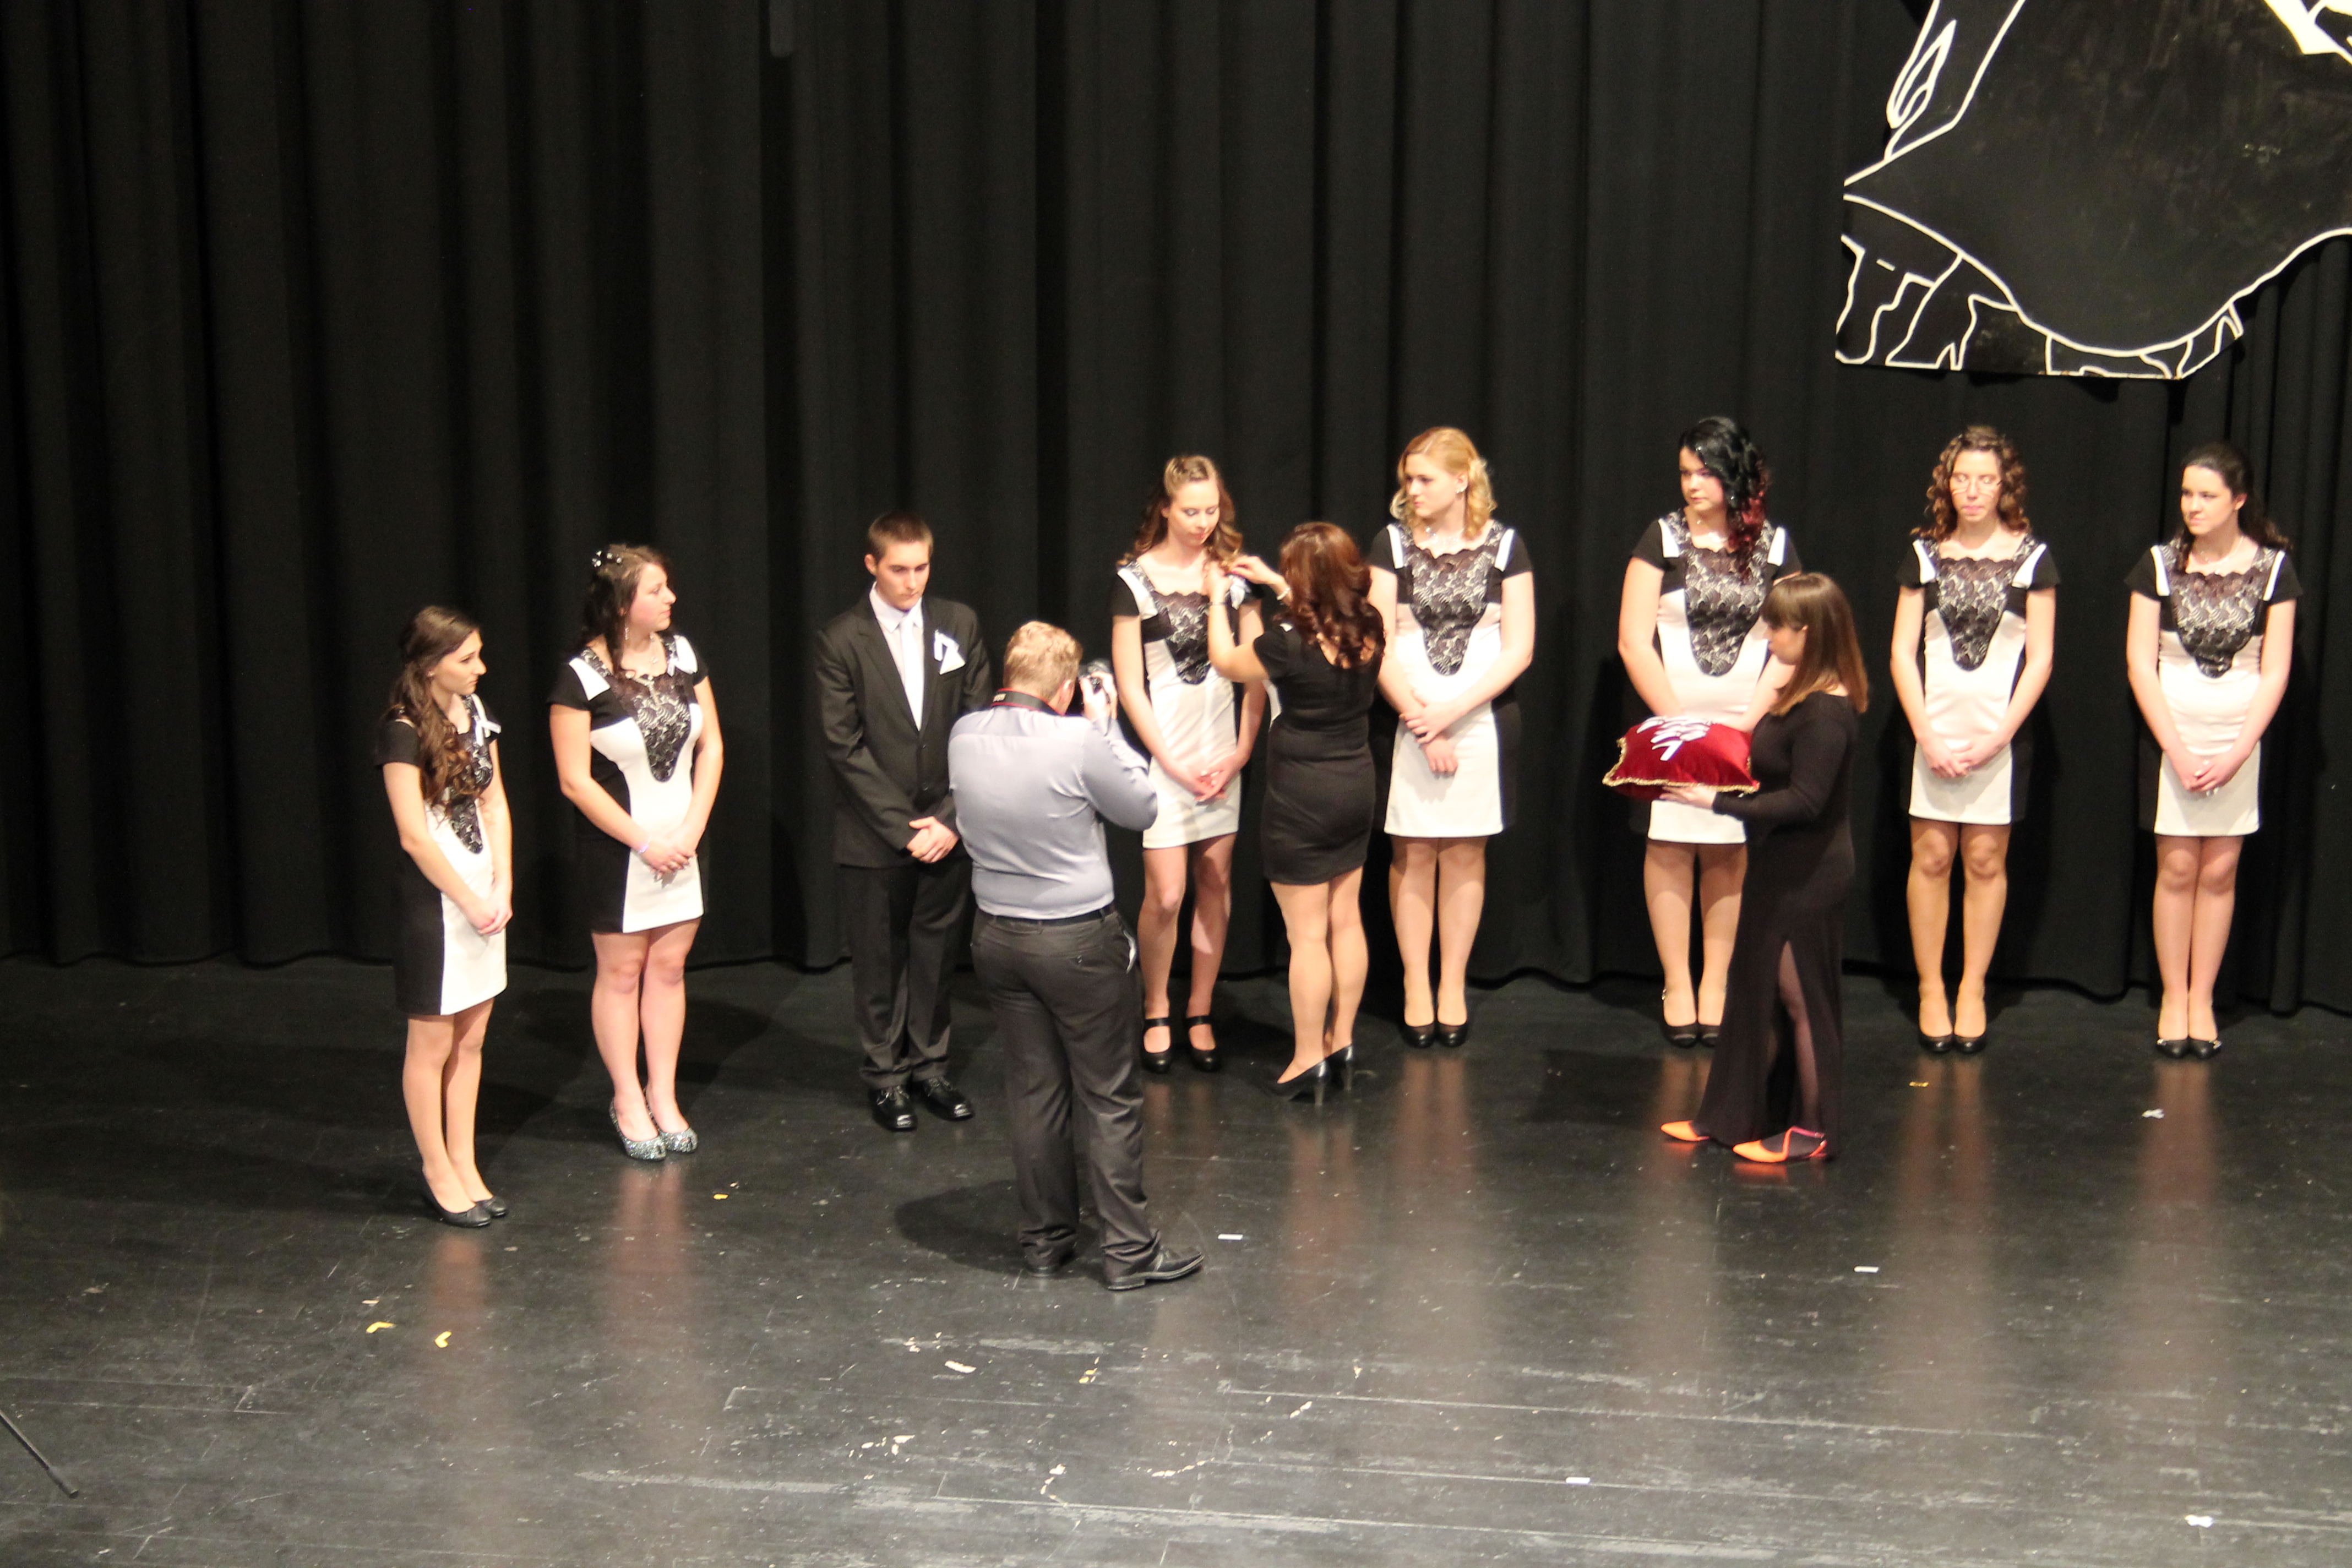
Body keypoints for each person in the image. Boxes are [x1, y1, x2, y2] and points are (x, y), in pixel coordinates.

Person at [950, 622, 1204, 1292]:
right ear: (1065, 690)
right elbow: (1143, 807)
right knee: (1110, 1096)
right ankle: (1128, 1252)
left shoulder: (964, 734)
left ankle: (1045, 1241)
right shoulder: (1077, 738)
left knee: (1036, 1092)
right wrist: (1106, 727)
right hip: (1077, 942)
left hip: (997, 938)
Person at [1659, 573, 1866, 1163]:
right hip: (1778, 865)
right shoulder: (1795, 692)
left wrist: (1716, 803)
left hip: (1810, 875)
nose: (1768, 635)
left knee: (1801, 1000)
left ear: (1810, 632)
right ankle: (1729, 1116)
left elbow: (1806, 802)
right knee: (1756, 995)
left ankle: (1813, 1129)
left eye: (1777, 626)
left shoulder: (1825, 711)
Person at [1618, 417, 1801, 1047]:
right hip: (1671, 720)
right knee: (1670, 844)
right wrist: (1679, 722)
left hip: (1746, 722)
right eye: (1684, 473)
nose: (1692, 484)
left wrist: (1747, 724)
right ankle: (1677, 982)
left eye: (1705, 472)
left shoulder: (1775, 546)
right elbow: (1633, 640)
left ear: (1735, 475)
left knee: (1727, 845)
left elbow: (1793, 642)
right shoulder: (1662, 538)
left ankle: (1717, 982)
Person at [815, 511, 995, 1130]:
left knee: (936, 956)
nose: (912, 581)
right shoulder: (842, 638)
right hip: (874, 834)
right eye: (899, 569)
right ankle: (886, 1076)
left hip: (947, 827)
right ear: (872, 565)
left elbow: (979, 724)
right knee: (878, 961)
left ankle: (930, 1068)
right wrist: (905, 828)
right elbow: (844, 747)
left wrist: (948, 819)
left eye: (921, 568)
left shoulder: (958, 623)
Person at [549, 546, 725, 1161]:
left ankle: (663, 1093)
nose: (670, 598)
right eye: (656, 590)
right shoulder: (580, 677)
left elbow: (712, 747)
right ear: (623, 604)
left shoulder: (685, 655)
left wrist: (693, 828)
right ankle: (627, 1097)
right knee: (623, 974)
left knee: (670, 968)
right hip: (621, 851)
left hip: (684, 844)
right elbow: (575, 781)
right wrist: (645, 842)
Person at [2125, 443, 2298, 1060]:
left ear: (2239, 501)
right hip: (2172, 741)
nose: (2193, 506)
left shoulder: (2273, 570)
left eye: (2207, 495)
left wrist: (2239, 750)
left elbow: (2275, 670)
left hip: (2237, 744)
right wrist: (2174, 748)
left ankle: (2203, 998)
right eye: (2186, 494)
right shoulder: (2159, 564)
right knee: (2177, 869)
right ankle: (2174, 997)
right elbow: (2140, 663)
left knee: (2219, 871)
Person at [1889, 427, 2057, 1054]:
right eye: (1962, 478)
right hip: (1931, 734)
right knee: (1932, 857)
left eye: (1986, 479)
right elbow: (1901, 653)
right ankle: (1932, 988)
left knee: (1985, 861)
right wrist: (1926, 735)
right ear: (1947, 484)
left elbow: (2041, 658)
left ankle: (1972, 988)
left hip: (1999, 739)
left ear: (2005, 485)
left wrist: (1999, 737)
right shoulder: (1925, 554)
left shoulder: (2033, 559)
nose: (1973, 490)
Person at [1204, 523, 1386, 1103]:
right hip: (1355, 786)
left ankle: (1308, 1058)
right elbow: (1317, 610)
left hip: (1302, 796)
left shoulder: (1286, 643)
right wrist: (1276, 584)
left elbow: (1227, 662)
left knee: (1307, 936)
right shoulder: (1369, 623)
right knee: (1346, 920)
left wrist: (1220, 601)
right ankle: (1342, 1041)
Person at [1369, 427, 1536, 1049]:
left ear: (1462, 480)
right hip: (1405, 721)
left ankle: (1452, 985)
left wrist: (1453, 713)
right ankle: (1416, 983)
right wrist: (1420, 717)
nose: (1412, 490)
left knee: (1465, 852)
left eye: (1425, 479)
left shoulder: (1506, 546)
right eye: (1408, 479)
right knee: (1413, 853)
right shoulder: (1391, 545)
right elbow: (1378, 643)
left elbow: (1519, 648)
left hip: (1480, 724)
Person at [1110, 456, 1265, 1074]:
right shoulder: (1134, 580)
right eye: (1191, 511)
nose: (1203, 522)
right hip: (1166, 757)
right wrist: (1169, 762)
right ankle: (1156, 1005)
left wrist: (1242, 752)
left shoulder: (1234, 577)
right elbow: (1130, 686)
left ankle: (1199, 1009)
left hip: (1222, 756)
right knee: (1167, 894)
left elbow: (1258, 671)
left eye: (1211, 510)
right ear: (1166, 509)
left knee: (1215, 882)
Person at [378, 607, 513, 1226]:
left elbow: (495, 803)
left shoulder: (476, 713)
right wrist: (469, 899)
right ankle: (437, 1169)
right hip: (437, 905)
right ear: (431, 665)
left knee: (472, 1038)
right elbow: (414, 835)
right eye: (467, 658)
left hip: (484, 899)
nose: (480, 667)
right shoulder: (402, 731)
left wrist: (503, 883)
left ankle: (465, 1161)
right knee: (432, 1043)